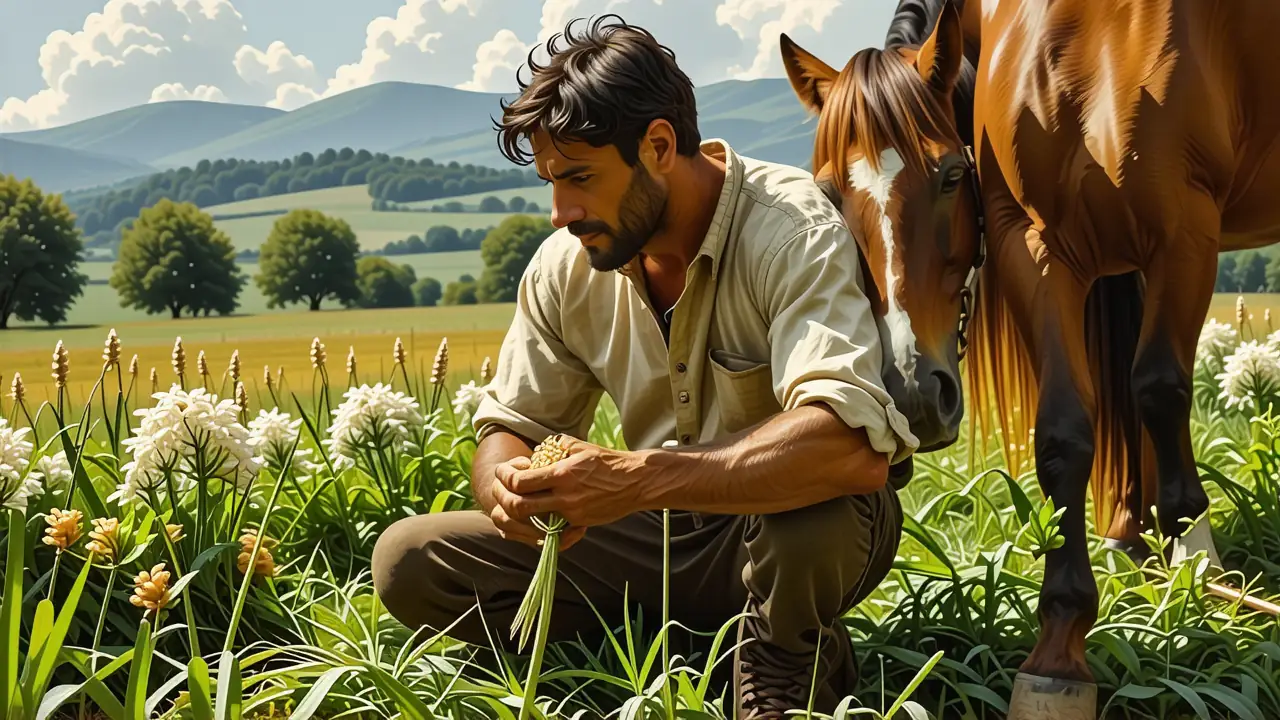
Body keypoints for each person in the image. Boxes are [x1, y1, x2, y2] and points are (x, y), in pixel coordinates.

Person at [370, 14, 919, 719]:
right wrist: (508, 488)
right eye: (548, 181)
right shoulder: (566, 265)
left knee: (811, 517)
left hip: (783, 526)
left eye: (579, 178)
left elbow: (849, 449)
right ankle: (664, 653)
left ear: (658, 145)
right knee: (409, 561)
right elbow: (510, 425)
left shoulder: (792, 230)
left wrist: (634, 479)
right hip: (647, 539)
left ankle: (781, 665)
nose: (559, 212)